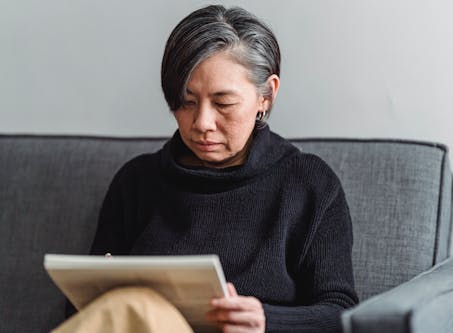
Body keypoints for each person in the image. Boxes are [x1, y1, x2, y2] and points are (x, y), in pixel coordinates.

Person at [56, 4, 358, 333]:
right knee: (129, 307)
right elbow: (77, 310)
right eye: (186, 102)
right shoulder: (137, 182)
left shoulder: (309, 185)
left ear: (266, 96)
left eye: (223, 103)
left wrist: (267, 320)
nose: (202, 123)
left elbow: (342, 313)